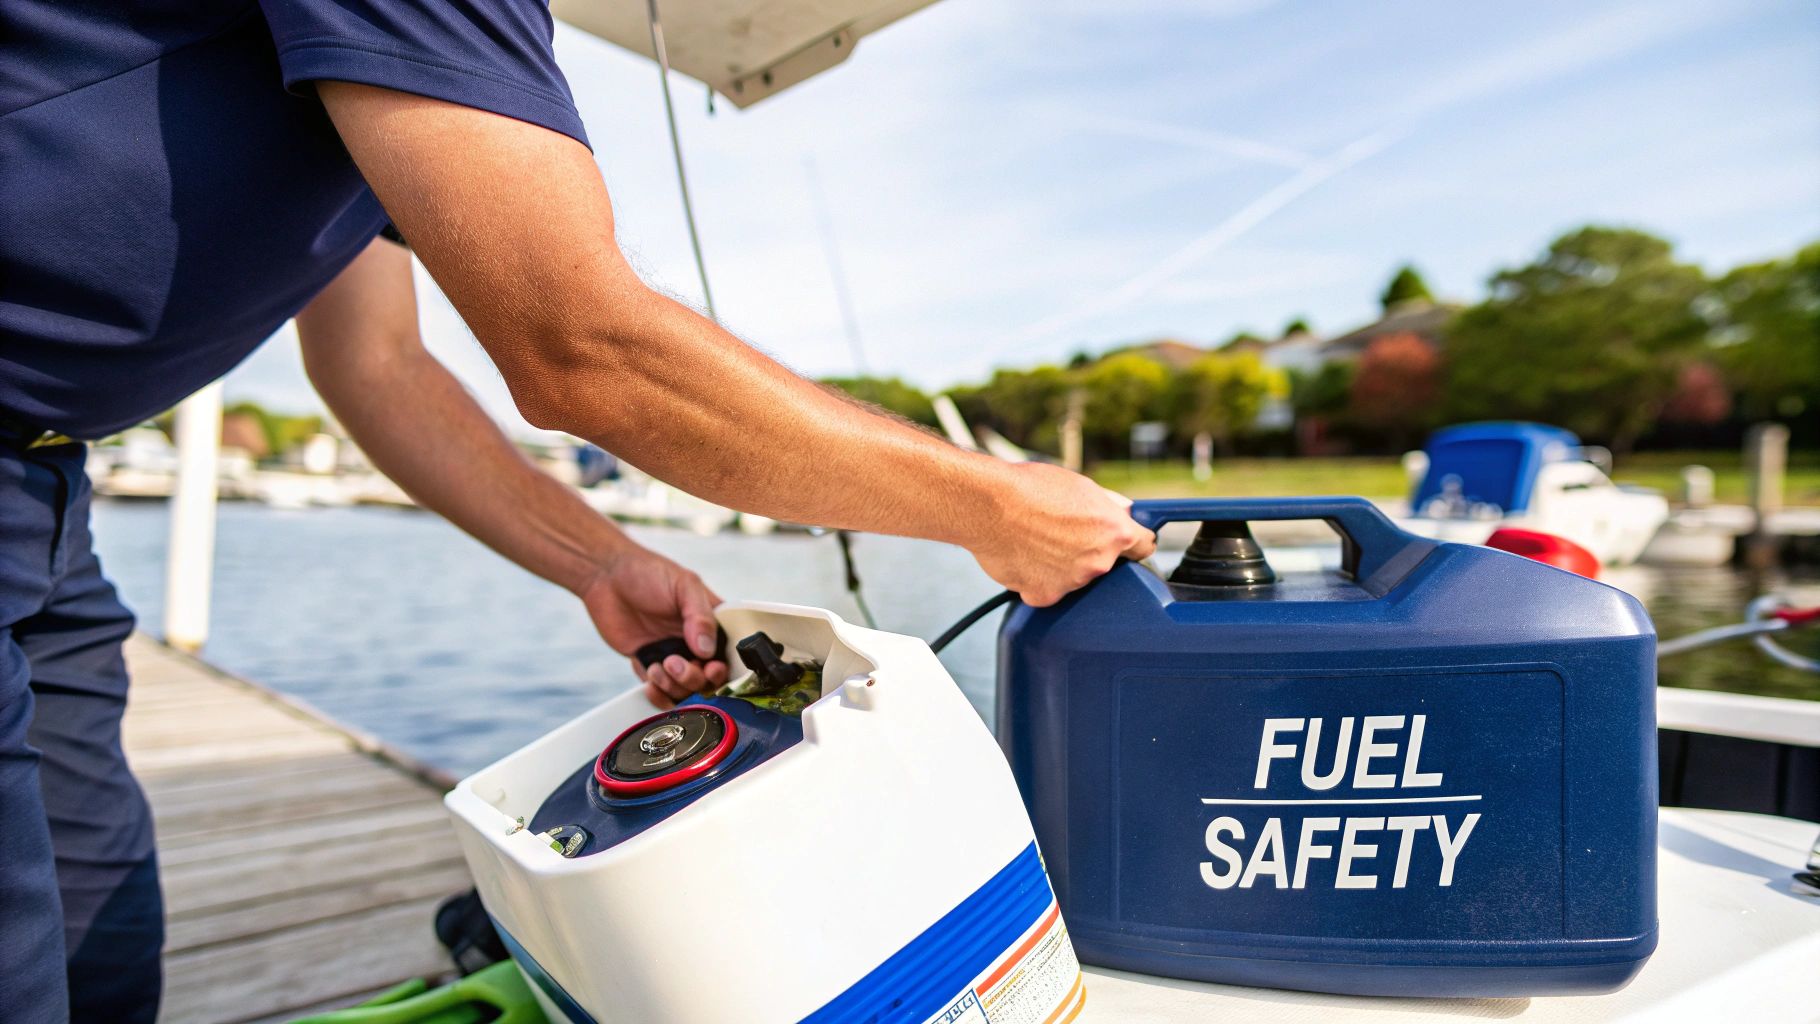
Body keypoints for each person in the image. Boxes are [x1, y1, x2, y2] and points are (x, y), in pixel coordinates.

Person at [0, 1, 1156, 1020]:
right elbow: (581, 345)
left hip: (47, 490)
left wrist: (601, 565)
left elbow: (380, 366)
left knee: (100, 942)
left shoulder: (401, 64)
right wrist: (989, 502)